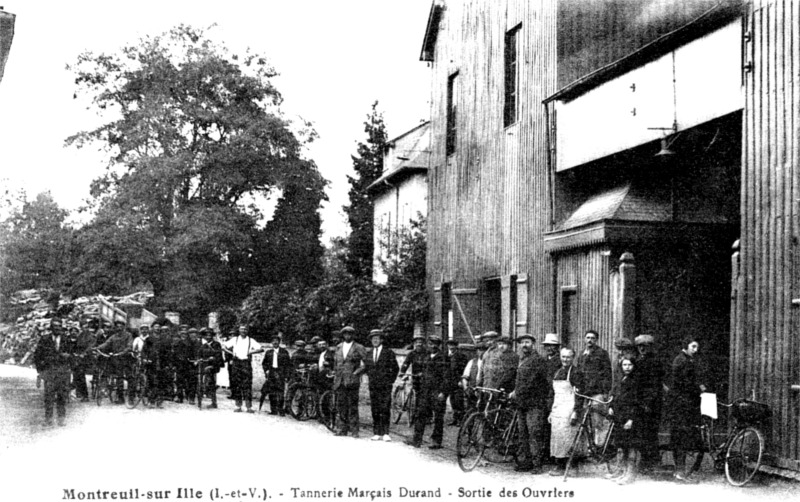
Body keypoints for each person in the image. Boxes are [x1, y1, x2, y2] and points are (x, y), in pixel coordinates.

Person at [668, 336, 706, 483]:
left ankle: (679, 472)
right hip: (682, 405)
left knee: (680, 437)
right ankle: (680, 473)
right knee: (681, 438)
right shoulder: (683, 361)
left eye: (697, 347)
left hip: (682, 404)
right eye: (693, 347)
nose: (696, 350)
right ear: (686, 346)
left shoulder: (684, 360)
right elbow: (685, 383)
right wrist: (699, 389)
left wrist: (698, 386)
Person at [509, 334, 548, 473]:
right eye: (522, 343)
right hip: (522, 403)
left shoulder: (538, 360)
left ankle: (537, 464)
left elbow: (531, 382)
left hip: (534, 403)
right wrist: (514, 391)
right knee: (522, 433)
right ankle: (525, 462)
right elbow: (518, 380)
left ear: (533, 344)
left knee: (534, 433)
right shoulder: (521, 359)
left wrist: (516, 392)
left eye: (527, 342)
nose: (524, 345)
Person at [406, 335, 449, 449]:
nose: (432, 346)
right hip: (425, 390)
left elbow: (447, 377)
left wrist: (443, 392)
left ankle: (436, 441)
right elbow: (424, 371)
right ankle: (417, 440)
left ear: (438, 345)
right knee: (420, 414)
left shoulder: (443, 357)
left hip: (437, 391)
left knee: (438, 417)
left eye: (435, 344)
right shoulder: (426, 356)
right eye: (430, 344)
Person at [548, 347, 584, 476]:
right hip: (558, 408)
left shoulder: (576, 373)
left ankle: (573, 467)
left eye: (568, 357)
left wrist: (576, 411)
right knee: (557, 438)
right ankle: (559, 466)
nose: (565, 359)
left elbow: (579, 395)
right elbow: (553, 394)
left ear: (572, 358)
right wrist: (551, 411)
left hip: (569, 408)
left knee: (569, 437)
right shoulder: (558, 372)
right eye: (563, 357)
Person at [33, 319, 76, 426]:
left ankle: (61, 418)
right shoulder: (44, 339)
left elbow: (73, 354)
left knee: (62, 395)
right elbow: (37, 356)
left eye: (59, 326)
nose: (57, 328)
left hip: (63, 372)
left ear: (62, 327)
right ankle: (48, 419)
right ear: (51, 327)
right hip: (49, 372)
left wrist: (69, 357)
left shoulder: (66, 339)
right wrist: (41, 371)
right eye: (55, 326)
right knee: (49, 396)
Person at [608, 357, 644, 484]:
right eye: (624, 365)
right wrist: (611, 406)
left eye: (630, 365)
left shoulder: (637, 381)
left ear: (634, 366)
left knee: (631, 446)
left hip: (631, 418)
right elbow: (614, 395)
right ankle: (622, 471)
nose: (627, 367)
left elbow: (638, 403)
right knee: (621, 445)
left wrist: (631, 419)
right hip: (620, 417)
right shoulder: (620, 379)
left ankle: (630, 474)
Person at [634, 334, 665, 471]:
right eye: (640, 346)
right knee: (642, 433)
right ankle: (645, 461)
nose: (642, 349)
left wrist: (648, 403)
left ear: (650, 347)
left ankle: (653, 461)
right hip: (641, 402)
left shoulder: (654, 362)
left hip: (651, 403)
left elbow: (655, 385)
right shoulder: (638, 360)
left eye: (645, 346)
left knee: (650, 433)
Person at [364, 329, 399, 442]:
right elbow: (367, 368)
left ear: (381, 340)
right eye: (373, 338)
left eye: (377, 338)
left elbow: (395, 368)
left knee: (385, 407)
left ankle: (385, 432)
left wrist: (390, 381)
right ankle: (376, 432)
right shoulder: (369, 353)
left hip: (385, 385)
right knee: (375, 407)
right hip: (373, 385)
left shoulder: (388, 353)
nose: (375, 340)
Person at [332, 326, 366, 437]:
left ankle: (354, 430)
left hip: (352, 381)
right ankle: (342, 429)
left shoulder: (359, 347)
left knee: (353, 405)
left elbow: (366, 364)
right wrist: (335, 375)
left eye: (350, 334)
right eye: (346, 334)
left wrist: (356, 373)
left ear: (353, 335)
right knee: (341, 405)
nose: (348, 336)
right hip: (340, 380)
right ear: (343, 335)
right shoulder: (338, 347)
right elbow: (336, 364)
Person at [221, 325, 264, 413]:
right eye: (241, 329)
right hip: (236, 363)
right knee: (236, 385)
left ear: (247, 331)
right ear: (239, 330)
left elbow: (261, 349)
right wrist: (231, 353)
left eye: (245, 329)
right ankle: (238, 406)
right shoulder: (235, 339)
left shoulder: (250, 340)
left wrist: (251, 351)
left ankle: (249, 407)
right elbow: (223, 346)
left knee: (247, 385)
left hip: (246, 363)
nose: (243, 331)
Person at [93, 320, 134, 402]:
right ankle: (118, 396)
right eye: (117, 326)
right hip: (116, 358)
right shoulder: (113, 336)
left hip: (126, 358)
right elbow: (106, 343)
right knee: (115, 375)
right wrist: (97, 348)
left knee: (130, 377)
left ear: (124, 327)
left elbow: (129, 346)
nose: (119, 328)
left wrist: (123, 352)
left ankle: (131, 396)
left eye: (121, 326)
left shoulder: (128, 335)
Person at [575, 330, 612, 397]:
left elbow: (607, 373)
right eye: (588, 338)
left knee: (596, 407)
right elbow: (578, 371)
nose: (590, 340)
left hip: (597, 390)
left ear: (596, 340)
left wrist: (606, 392)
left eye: (592, 338)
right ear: (584, 339)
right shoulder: (581, 354)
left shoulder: (602, 353)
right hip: (583, 390)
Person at [262, 334, 291, 415]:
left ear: (279, 342)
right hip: (271, 372)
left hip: (280, 373)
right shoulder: (269, 352)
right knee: (271, 392)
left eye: (277, 341)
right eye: (273, 341)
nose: (275, 342)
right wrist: (266, 370)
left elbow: (288, 365)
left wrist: (286, 375)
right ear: (271, 343)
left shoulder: (284, 352)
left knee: (280, 392)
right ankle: (273, 410)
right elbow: (264, 363)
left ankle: (280, 410)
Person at [196, 328, 224, 409]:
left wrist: (213, 358)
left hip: (213, 365)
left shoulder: (216, 344)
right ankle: (202, 394)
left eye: (210, 335)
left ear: (212, 336)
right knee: (200, 380)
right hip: (204, 365)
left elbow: (219, 355)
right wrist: (200, 359)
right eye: (206, 335)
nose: (208, 337)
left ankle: (213, 402)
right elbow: (199, 354)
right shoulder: (203, 345)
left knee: (211, 382)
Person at [445, 339, 469, 426]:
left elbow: (464, 370)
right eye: (449, 345)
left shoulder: (461, 356)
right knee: (452, 401)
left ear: (456, 346)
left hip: (458, 381)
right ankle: (455, 419)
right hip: (450, 381)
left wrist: (461, 380)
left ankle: (461, 420)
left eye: (453, 345)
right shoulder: (446, 356)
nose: (451, 347)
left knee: (459, 401)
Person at [460, 342, 487, 414]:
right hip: (472, 390)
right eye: (479, 350)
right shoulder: (472, 362)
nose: (481, 352)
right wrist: (466, 388)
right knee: (470, 410)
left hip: (484, 391)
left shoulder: (488, 363)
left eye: (484, 350)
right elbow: (465, 377)